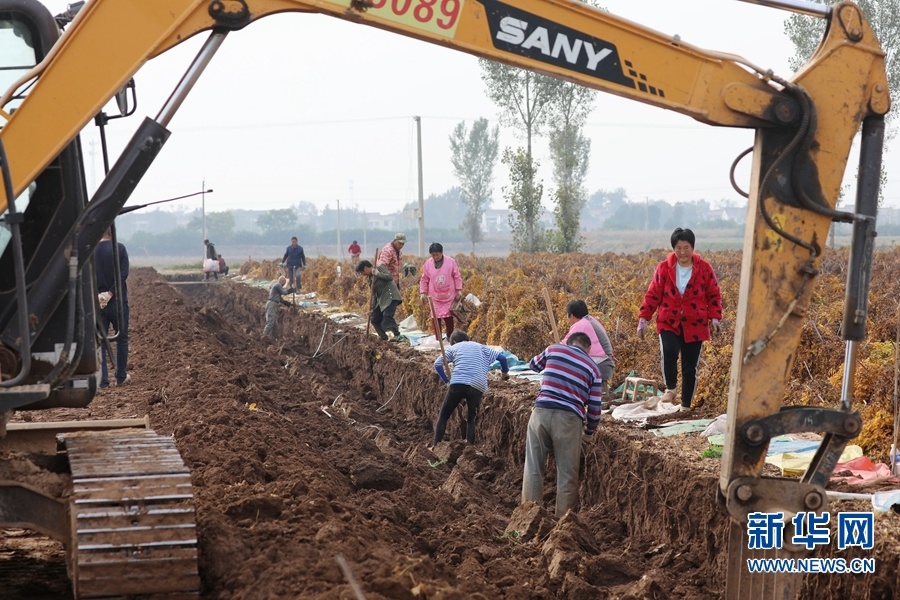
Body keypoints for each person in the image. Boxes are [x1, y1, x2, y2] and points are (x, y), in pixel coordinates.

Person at [637, 227, 723, 410]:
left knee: (689, 367)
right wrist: (643, 318)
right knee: (669, 351)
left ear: (692, 248)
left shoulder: (704, 269)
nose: (682, 252)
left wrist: (715, 317)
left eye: (686, 248)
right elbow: (653, 293)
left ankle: (685, 405)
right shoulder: (665, 268)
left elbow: (713, 294)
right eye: (678, 248)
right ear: (673, 249)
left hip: (695, 323)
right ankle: (671, 388)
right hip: (668, 320)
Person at [521, 333, 602, 517]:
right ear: (588, 348)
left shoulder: (554, 349)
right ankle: (563, 524)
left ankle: (527, 517)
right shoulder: (593, 369)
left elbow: (533, 365)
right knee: (567, 475)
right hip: (569, 420)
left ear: (569, 342)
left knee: (533, 467)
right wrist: (589, 432)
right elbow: (595, 408)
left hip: (540, 413)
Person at [432, 331, 509, 446]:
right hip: (478, 385)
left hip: (458, 383)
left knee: (443, 416)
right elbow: (502, 358)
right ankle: (469, 449)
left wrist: (447, 381)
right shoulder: (481, 347)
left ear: (454, 341)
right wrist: (504, 373)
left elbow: (437, 364)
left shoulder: (454, 347)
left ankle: (435, 445)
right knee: (471, 419)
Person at [95, 227, 131, 388]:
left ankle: (103, 380)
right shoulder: (119, 248)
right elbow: (123, 274)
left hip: (98, 302)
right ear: (111, 231)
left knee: (100, 340)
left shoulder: (91, 251)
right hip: (118, 300)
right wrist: (111, 293)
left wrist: (99, 295)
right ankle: (121, 376)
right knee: (121, 338)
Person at [562, 299, 615, 389]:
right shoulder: (590, 320)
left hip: (601, 365)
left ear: (571, 315)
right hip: (605, 364)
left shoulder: (581, 324)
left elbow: (565, 345)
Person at [419, 242, 463, 339]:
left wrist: (458, 289)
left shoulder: (451, 262)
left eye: (437, 255)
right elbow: (424, 279)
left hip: (448, 294)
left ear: (442, 253)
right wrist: (423, 292)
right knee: (435, 317)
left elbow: (457, 276)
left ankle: (450, 336)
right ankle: (438, 338)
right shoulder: (428, 264)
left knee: (448, 316)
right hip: (435, 295)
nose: (435, 257)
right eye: (433, 255)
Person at [356, 259, 402, 341]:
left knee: (387, 316)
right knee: (374, 319)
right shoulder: (369, 278)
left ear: (366, 268)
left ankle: (397, 335)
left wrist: (378, 274)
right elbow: (374, 294)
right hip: (382, 299)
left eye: (362, 272)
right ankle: (383, 337)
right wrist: (372, 308)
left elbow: (389, 277)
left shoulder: (379, 268)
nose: (362, 274)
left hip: (391, 296)